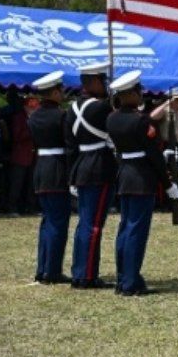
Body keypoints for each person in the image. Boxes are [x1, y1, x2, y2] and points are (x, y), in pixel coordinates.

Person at [107, 70, 170, 296]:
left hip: (124, 175)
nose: (141, 95)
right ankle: (131, 282)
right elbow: (154, 155)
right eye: (139, 91)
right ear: (131, 94)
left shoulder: (112, 118)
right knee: (136, 231)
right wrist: (168, 183)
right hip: (142, 178)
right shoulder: (141, 121)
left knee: (125, 229)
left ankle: (123, 278)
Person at [66, 61, 118, 289]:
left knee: (84, 224)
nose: (106, 85)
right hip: (99, 167)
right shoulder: (101, 108)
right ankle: (87, 276)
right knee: (94, 225)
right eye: (103, 81)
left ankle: (79, 271)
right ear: (93, 81)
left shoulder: (72, 107)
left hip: (82, 165)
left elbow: (70, 142)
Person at [29, 71, 73, 285]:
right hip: (57, 169)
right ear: (54, 92)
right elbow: (69, 144)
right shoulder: (61, 116)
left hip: (40, 169)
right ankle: (52, 271)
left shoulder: (34, 116)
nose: (63, 94)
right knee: (58, 222)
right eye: (61, 91)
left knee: (47, 222)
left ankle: (42, 268)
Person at [6, 95, 39, 215]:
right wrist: (31, 127)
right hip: (20, 156)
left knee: (32, 184)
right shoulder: (18, 118)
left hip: (34, 156)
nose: (34, 109)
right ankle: (12, 208)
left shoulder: (38, 118)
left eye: (35, 107)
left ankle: (31, 208)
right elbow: (16, 136)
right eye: (31, 107)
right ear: (25, 107)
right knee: (17, 184)